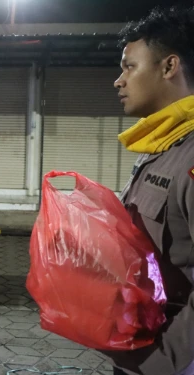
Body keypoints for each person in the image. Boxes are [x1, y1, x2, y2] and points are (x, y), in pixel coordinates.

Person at [103, 5, 194, 375]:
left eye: (129, 66)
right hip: (138, 346)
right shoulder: (160, 147)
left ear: (169, 67)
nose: (118, 80)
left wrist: (162, 360)